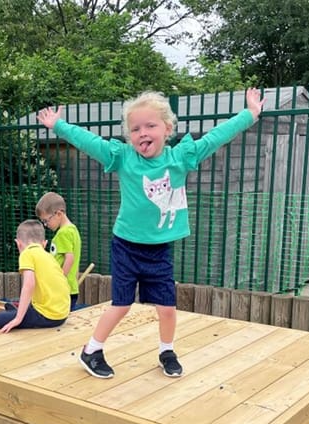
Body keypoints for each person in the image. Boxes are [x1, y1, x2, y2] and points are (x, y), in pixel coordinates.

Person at [37, 88, 265, 379]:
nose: (142, 132)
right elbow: (89, 142)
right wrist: (58, 125)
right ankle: (91, 350)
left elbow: (215, 137)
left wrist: (250, 114)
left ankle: (166, 350)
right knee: (121, 305)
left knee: (167, 308)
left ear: (167, 129)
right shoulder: (122, 157)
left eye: (150, 126)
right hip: (126, 248)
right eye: (135, 128)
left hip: (159, 250)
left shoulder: (181, 157)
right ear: (129, 135)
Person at [0, 219, 70, 333]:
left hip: (48, 316)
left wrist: (18, 319)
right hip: (62, 314)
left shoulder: (27, 253)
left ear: (18, 243)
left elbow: (29, 284)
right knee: (16, 302)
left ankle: (17, 313)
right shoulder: (49, 256)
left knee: (0, 318)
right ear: (44, 244)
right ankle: (18, 309)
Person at [36, 191, 83, 310]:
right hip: (70, 287)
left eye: (46, 220)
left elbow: (70, 259)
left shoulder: (63, 233)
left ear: (59, 214)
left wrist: (59, 280)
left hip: (62, 288)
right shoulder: (73, 230)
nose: (46, 225)